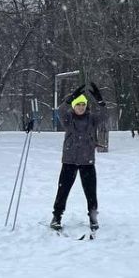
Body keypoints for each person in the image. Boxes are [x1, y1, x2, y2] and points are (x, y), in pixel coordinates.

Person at [50, 83, 108, 232]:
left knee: (90, 191)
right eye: (78, 105)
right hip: (69, 160)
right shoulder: (68, 119)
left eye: (83, 105)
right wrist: (70, 98)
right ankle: (57, 216)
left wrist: (100, 100)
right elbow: (61, 110)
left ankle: (93, 217)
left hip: (87, 161)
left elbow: (103, 115)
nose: (81, 107)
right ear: (74, 106)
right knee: (63, 190)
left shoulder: (92, 119)